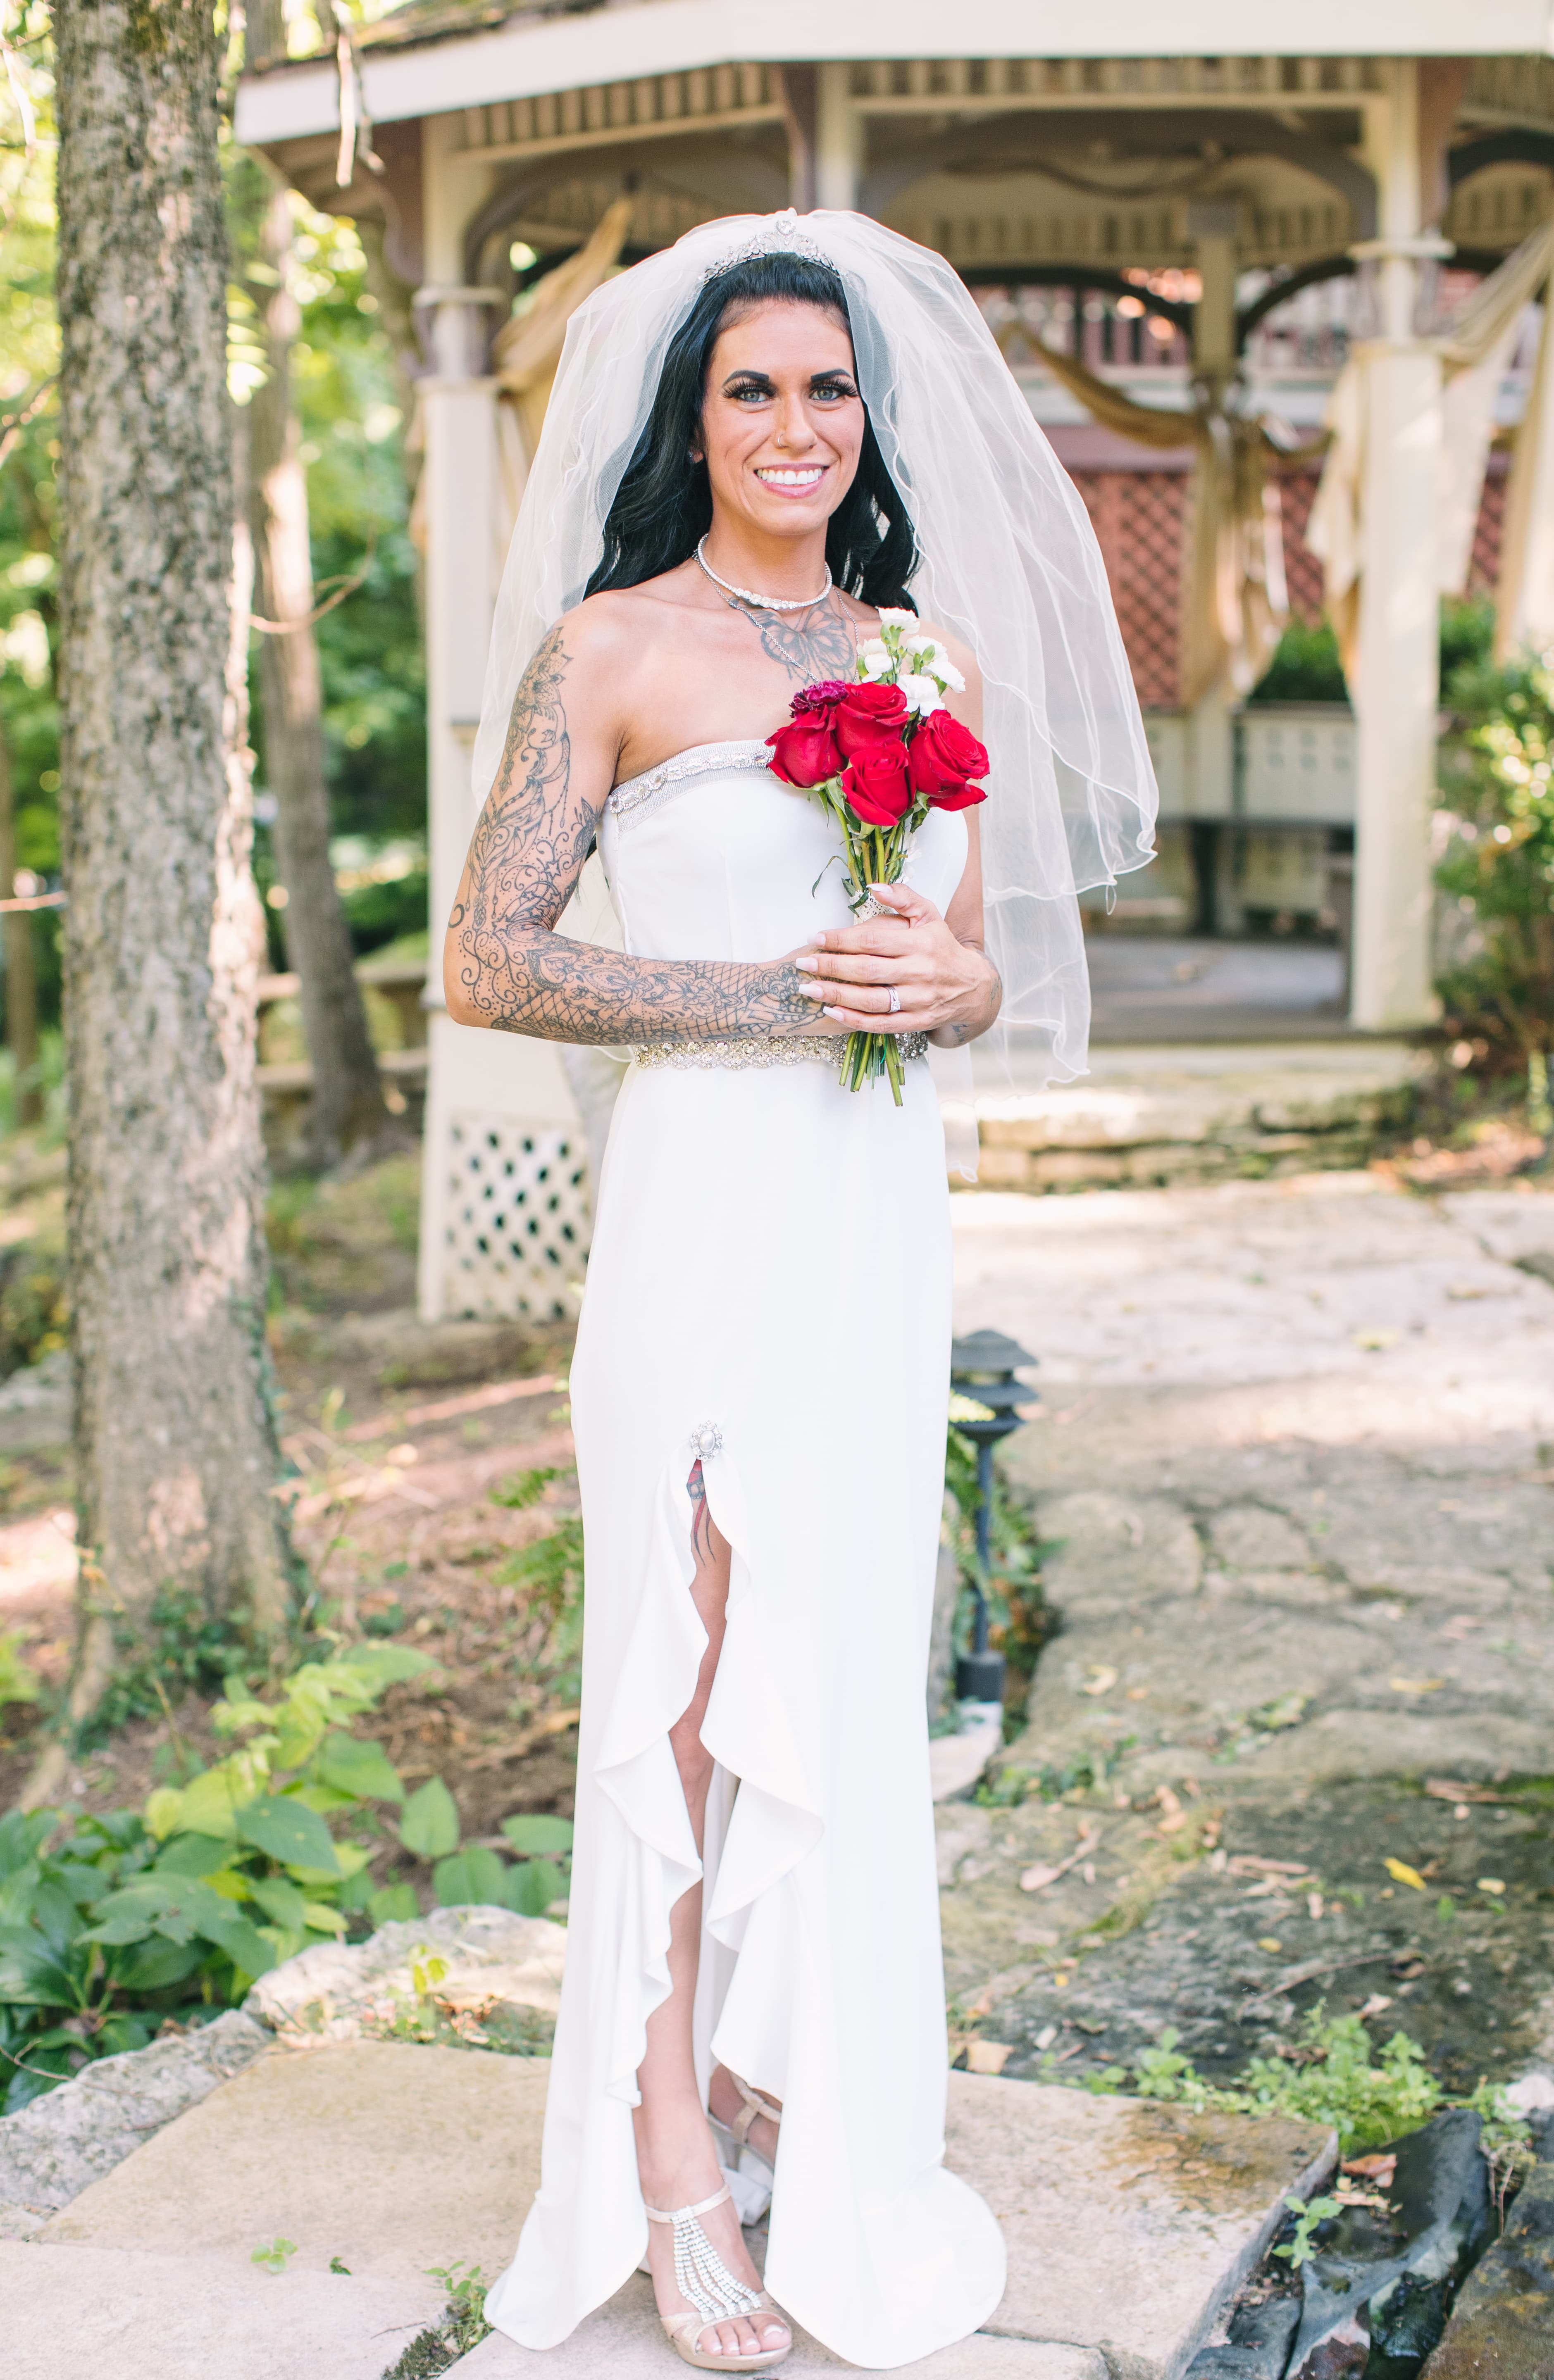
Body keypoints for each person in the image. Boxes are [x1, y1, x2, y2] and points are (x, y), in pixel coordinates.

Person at [445, 210, 1156, 2375]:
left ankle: (783, 2085)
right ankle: (662, 2146)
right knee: (683, 1655)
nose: (792, 424)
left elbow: (967, 958)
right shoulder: (615, 649)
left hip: (868, 1216)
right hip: (701, 1198)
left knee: (827, 1653)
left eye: (826, 389)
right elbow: (488, 955)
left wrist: (955, 984)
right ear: (693, 418)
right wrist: (761, 998)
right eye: (751, 388)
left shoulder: (911, 662)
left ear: (870, 419)